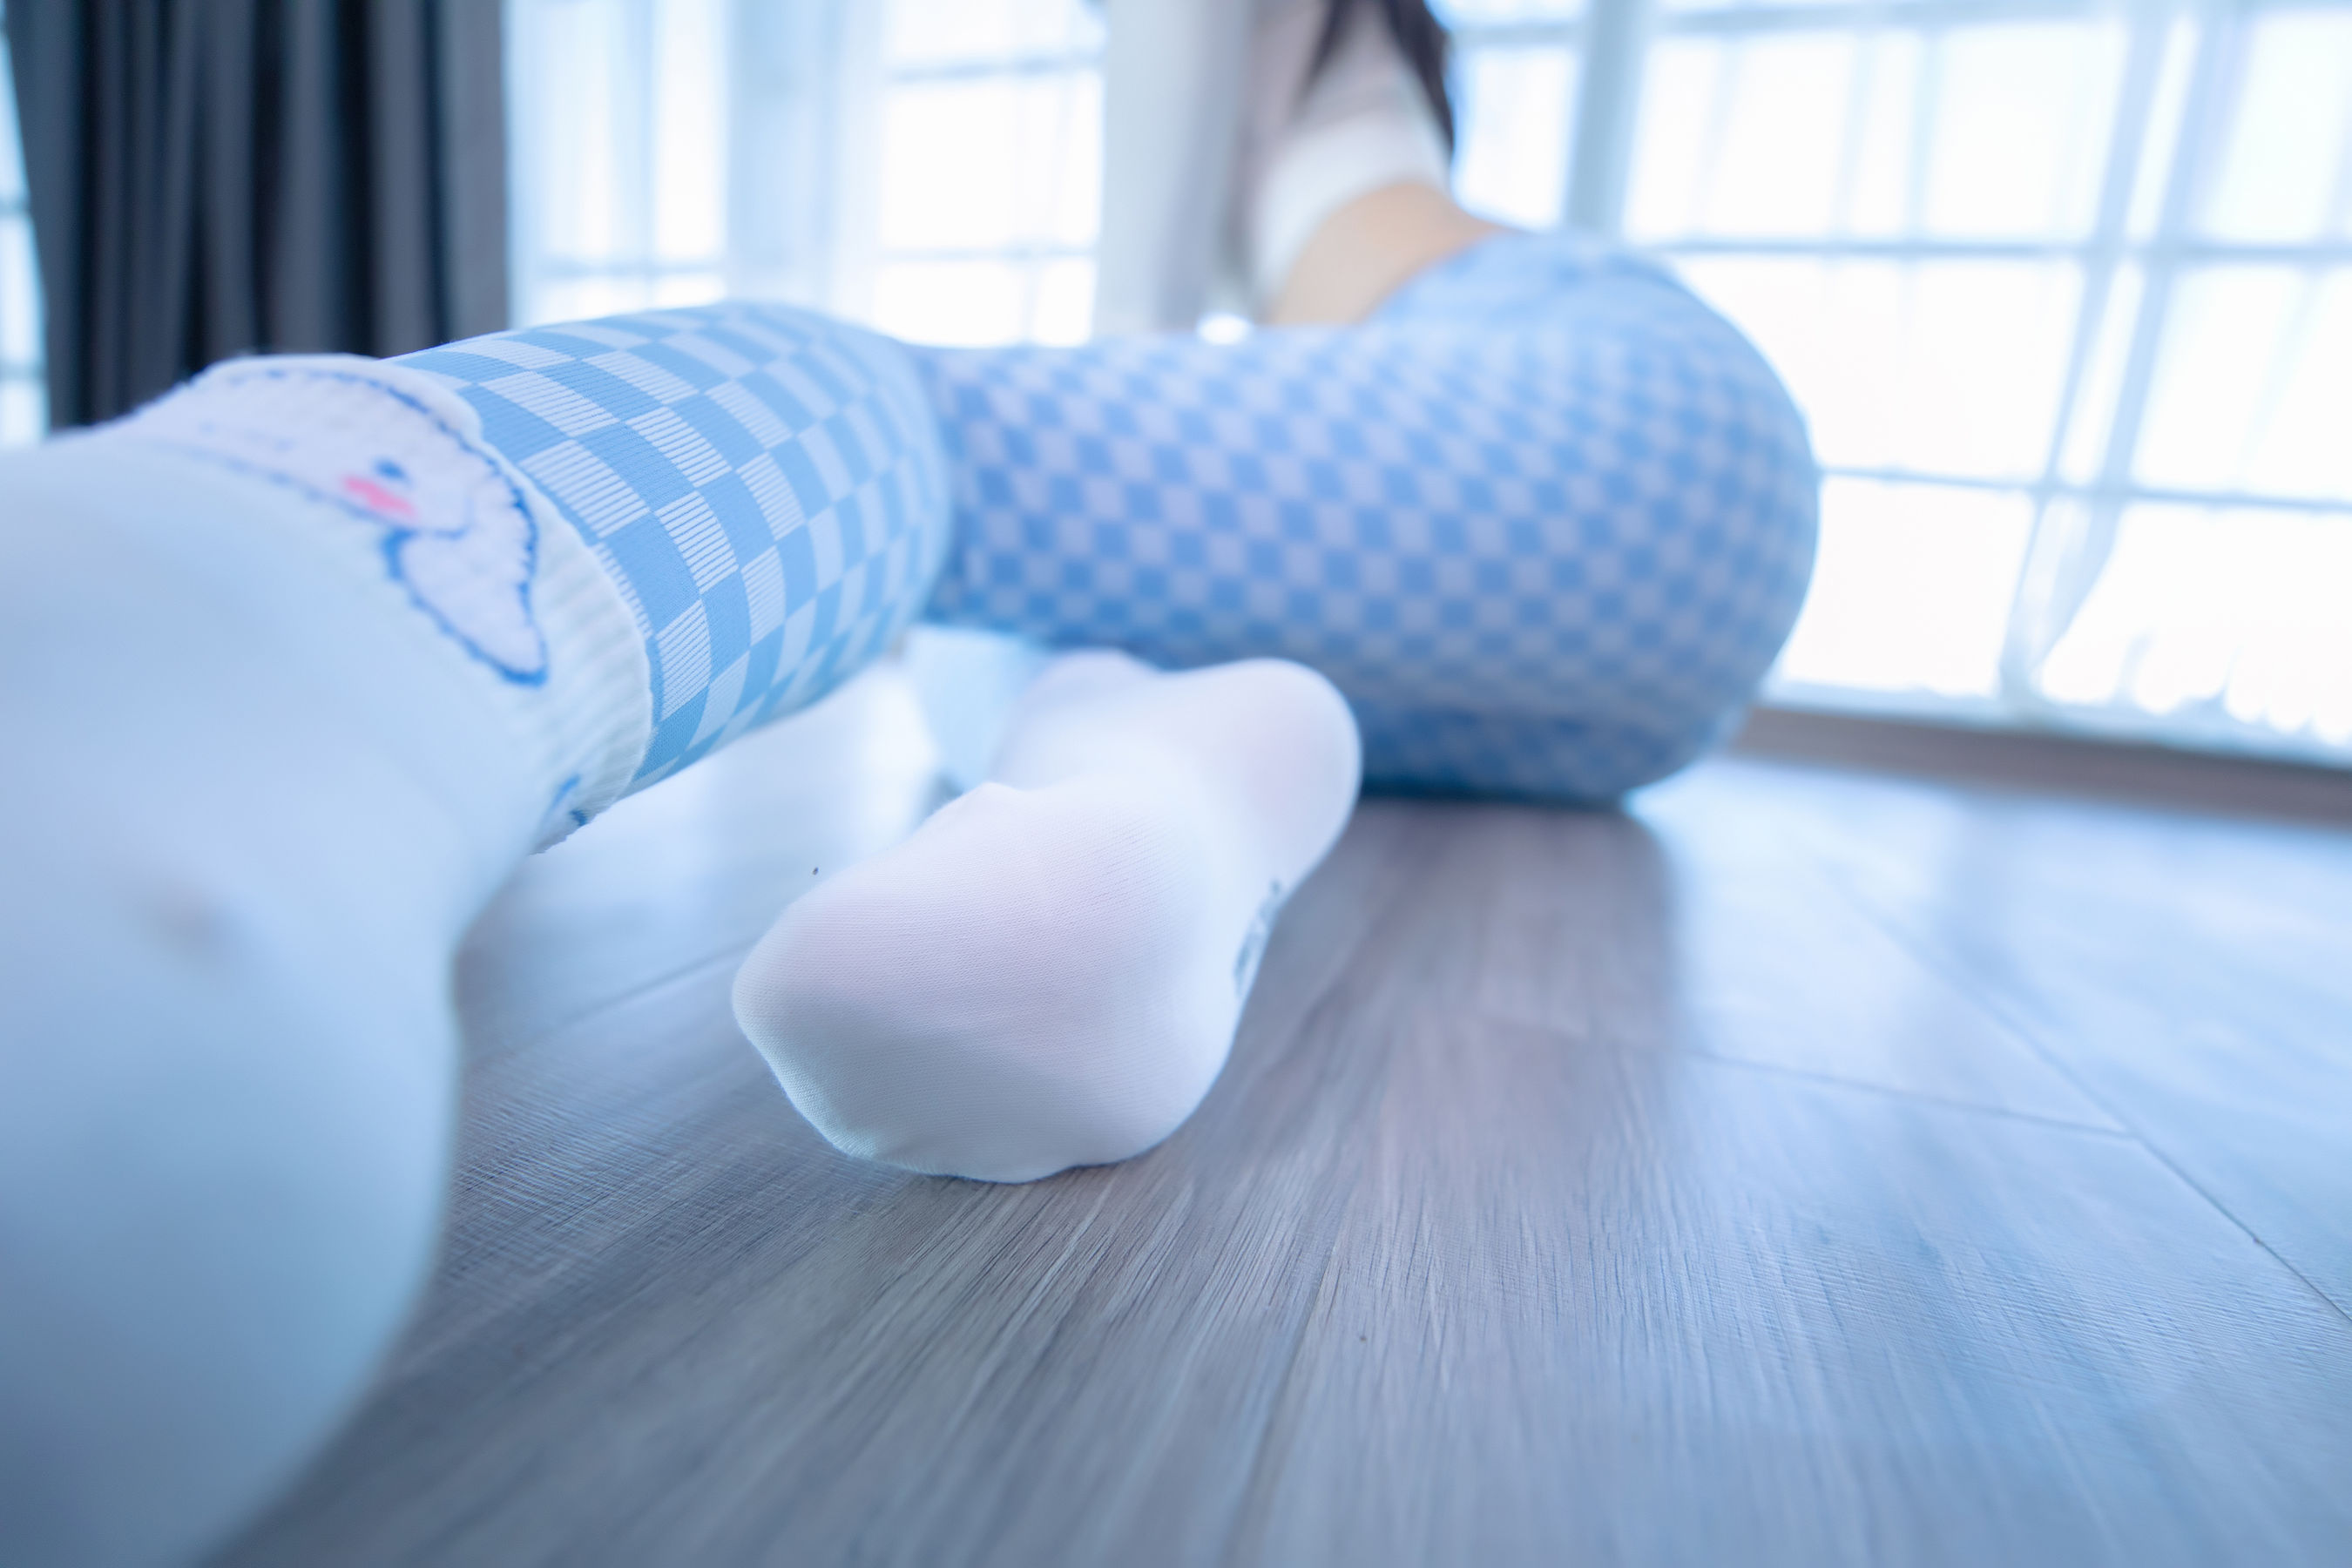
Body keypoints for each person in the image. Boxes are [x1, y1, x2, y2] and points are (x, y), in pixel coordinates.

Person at [0, 1, 1815, 1561]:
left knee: (936, 441)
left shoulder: (1353, 119)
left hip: (1641, 434)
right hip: (1604, 691)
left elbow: (1144, 295)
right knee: (1027, 626)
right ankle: (1156, 813)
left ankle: (267, 599)